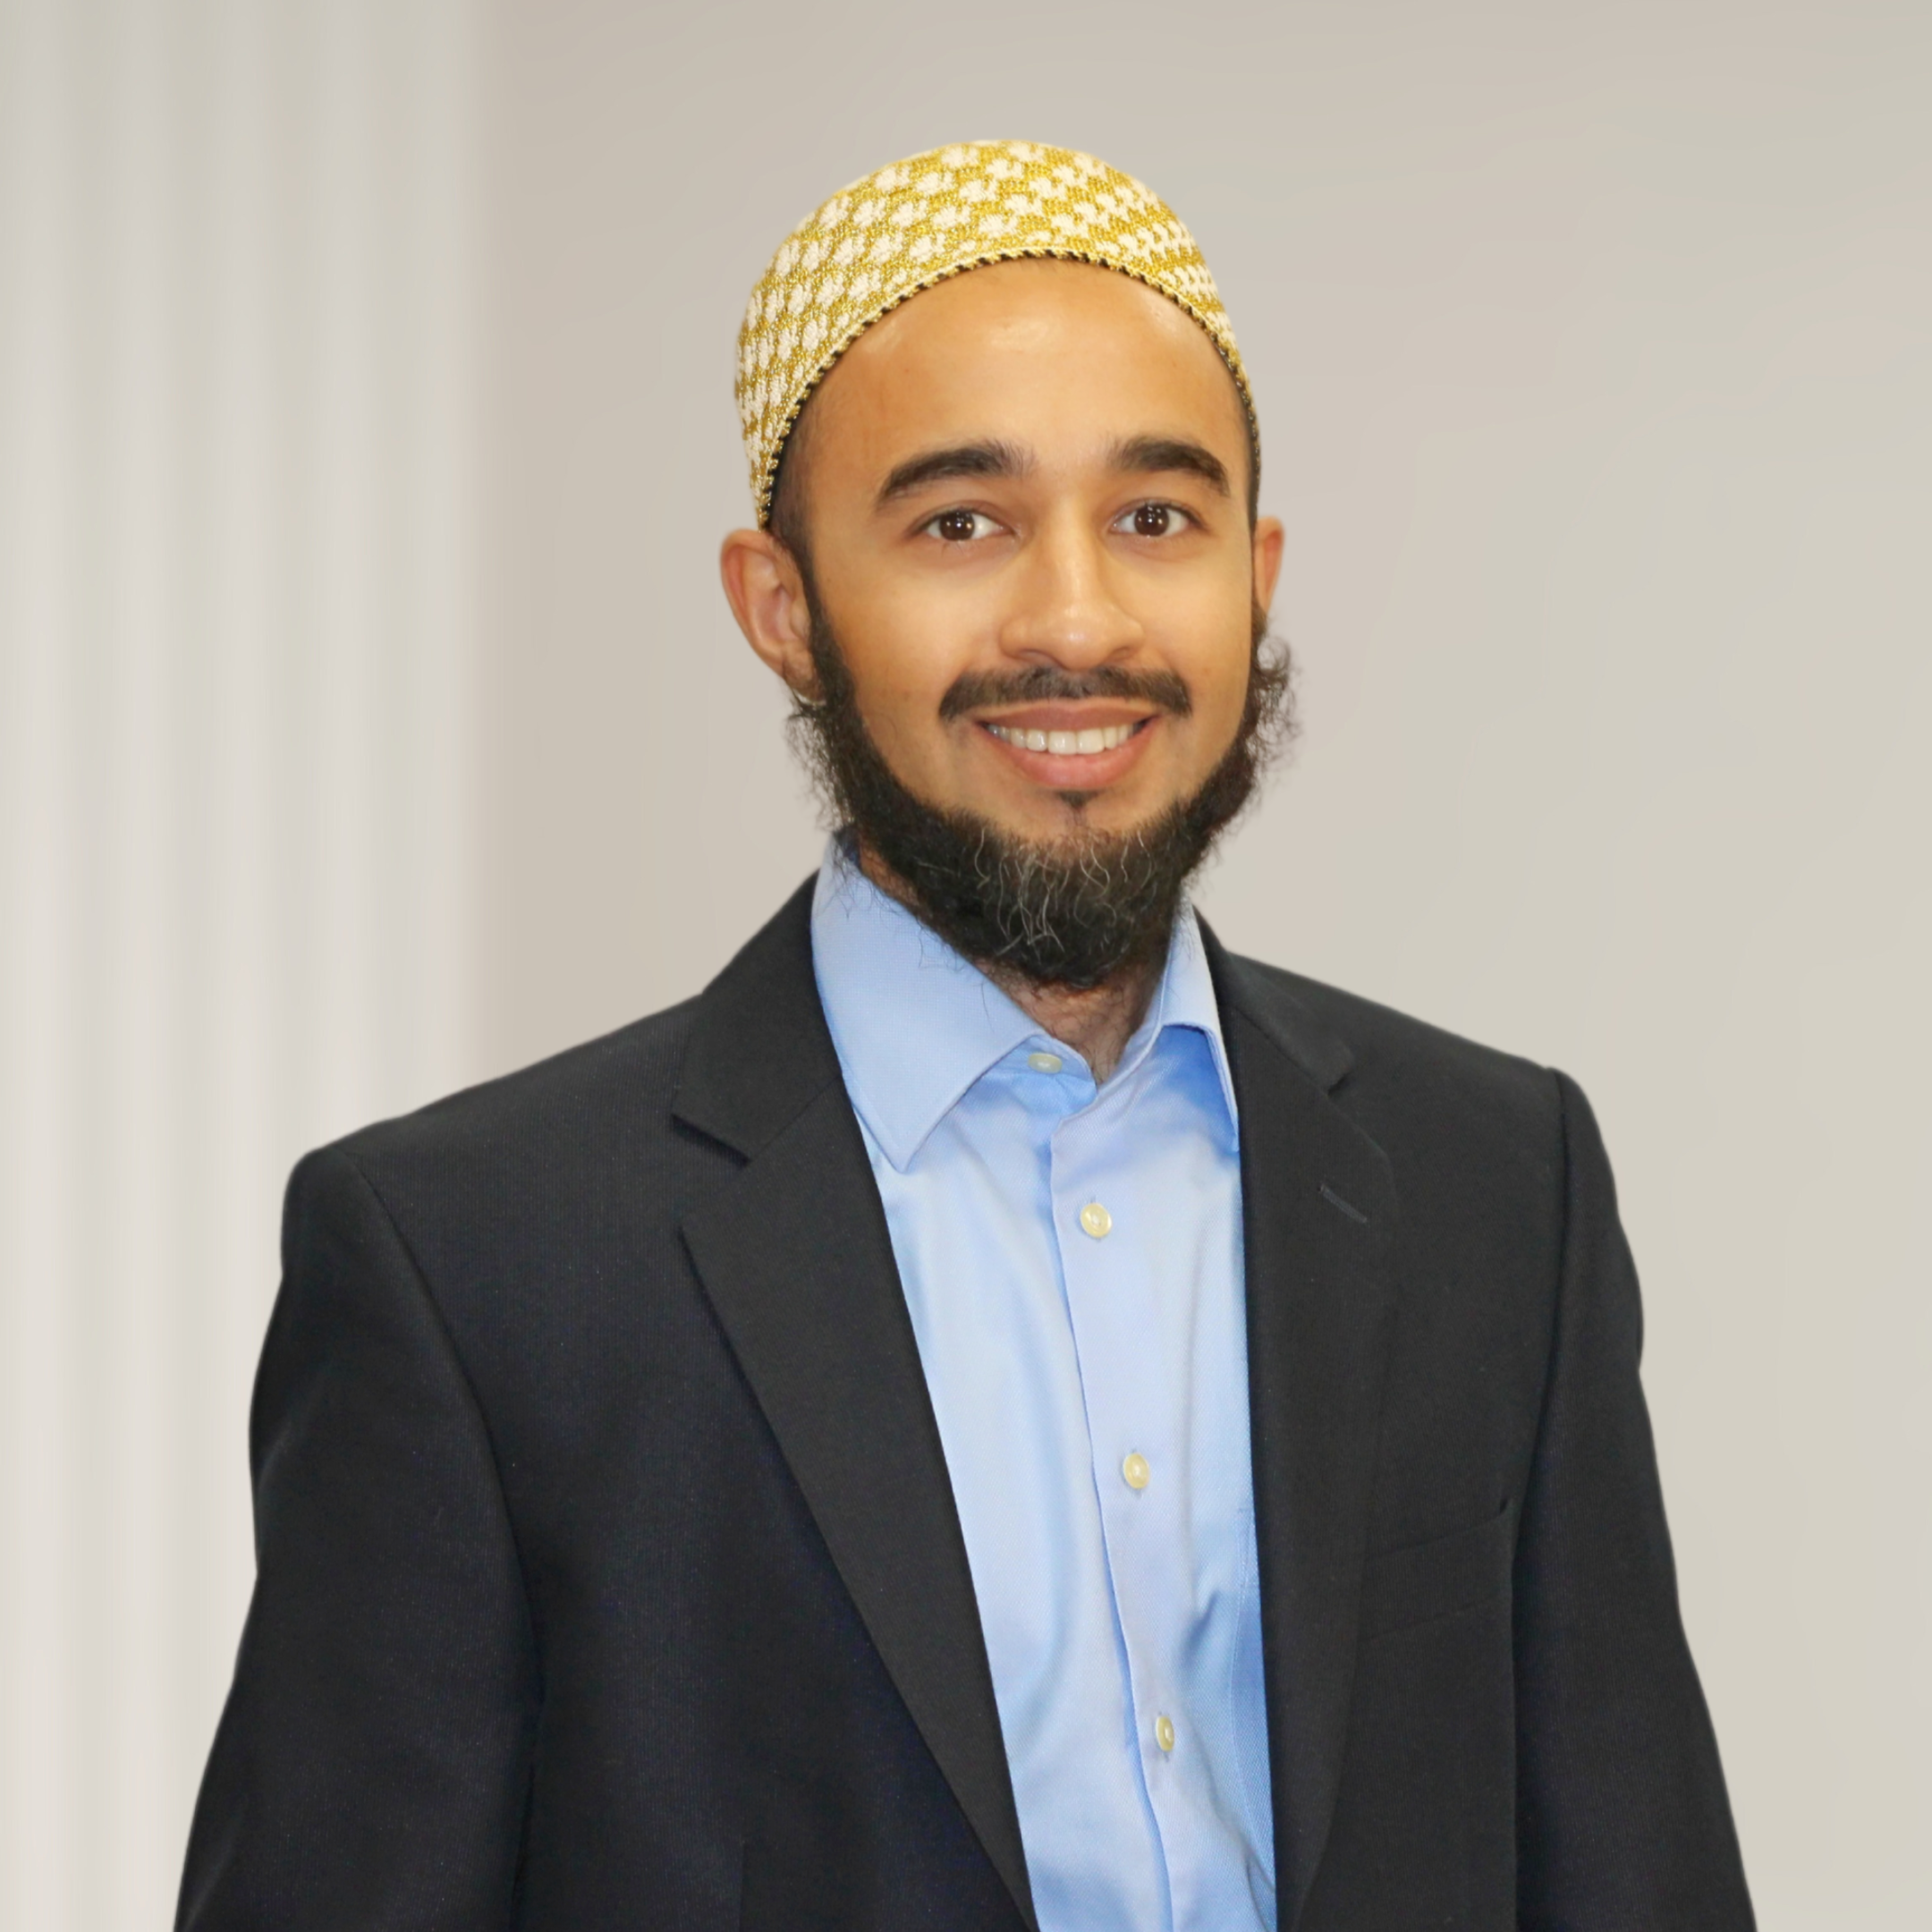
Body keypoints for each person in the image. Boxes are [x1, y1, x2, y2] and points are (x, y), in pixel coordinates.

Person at [177, 141, 1755, 1931]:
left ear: (1259, 573)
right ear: (783, 608)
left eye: (1157, 518)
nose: (1075, 618)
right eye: (960, 523)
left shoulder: (1498, 1185)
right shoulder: (477, 1267)